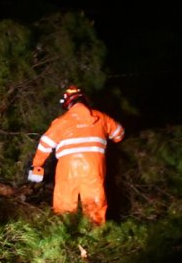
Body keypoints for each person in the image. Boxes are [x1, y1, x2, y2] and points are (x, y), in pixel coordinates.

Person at [28, 85, 125, 226]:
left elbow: (44, 144)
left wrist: (37, 165)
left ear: (67, 103)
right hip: (93, 168)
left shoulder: (60, 122)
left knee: (64, 205)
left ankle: (65, 235)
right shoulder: (101, 118)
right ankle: (96, 237)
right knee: (95, 204)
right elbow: (119, 134)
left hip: (67, 170)